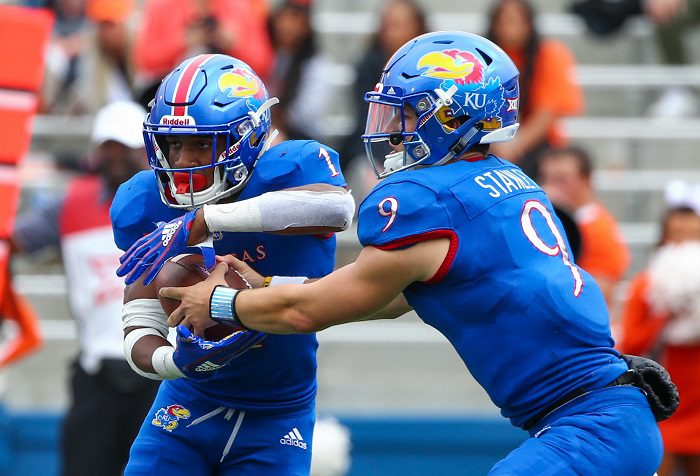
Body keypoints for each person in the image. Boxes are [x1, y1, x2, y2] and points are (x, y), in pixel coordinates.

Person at [159, 31, 676, 475]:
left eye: (405, 113)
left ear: (455, 116)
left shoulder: (427, 201)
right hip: (611, 414)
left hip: (591, 426)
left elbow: (307, 311)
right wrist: (266, 288)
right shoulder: (506, 182)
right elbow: (383, 295)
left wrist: (223, 304)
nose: (388, 127)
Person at [110, 53, 354, 475]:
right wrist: (176, 362)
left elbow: (337, 208)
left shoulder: (289, 170)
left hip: (278, 411)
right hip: (188, 402)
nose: (184, 160)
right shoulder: (144, 202)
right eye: (174, 143)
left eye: (202, 143)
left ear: (245, 137)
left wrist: (205, 219)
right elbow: (140, 316)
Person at [10, 101, 159, 476]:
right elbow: (17, 239)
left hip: (162, 371)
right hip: (96, 371)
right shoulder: (70, 205)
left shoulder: (171, 203)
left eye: (122, 147)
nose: (114, 156)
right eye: (107, 147)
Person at [619, 203, 700, 476]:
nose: (687, 241)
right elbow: (629, 345)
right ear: (664, 238)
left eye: (694, 234)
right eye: (678, 233)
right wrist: (664, 316)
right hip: (662, 404)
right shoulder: (647, 286)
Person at [486, 0, 584, 180]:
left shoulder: (551, 54)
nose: (510, 28)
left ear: (530, 23)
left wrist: (514, 146)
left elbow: (549, 110)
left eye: (516, 21)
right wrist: (496, 146)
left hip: (539, 148)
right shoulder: (480, 58)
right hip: (488, 143)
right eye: (504, 21)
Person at [337, 0, 428, 174]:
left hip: (424, 146)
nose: (390, 32)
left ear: (418, 27)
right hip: (387, 150)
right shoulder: (369, 66)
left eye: (398, 25)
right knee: (364, 170)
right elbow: (367, 123)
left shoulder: (431, 72)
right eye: (386, 25)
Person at [132, 0, 273, 110]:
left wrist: (235, 44)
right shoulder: (162, 5)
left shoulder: (239, 7)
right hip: (172, 97)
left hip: (230, 99)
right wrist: (182, 41)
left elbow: (264, 64)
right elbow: (145, 60)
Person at [539, 146, 630, 311]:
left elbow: (597, 295)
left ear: (587, 181)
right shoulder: (549, 219)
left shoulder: (599, 229)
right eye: (547, 179)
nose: (550, 188)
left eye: (561, 180)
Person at [265, 0, 335, 142]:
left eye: (295, 18)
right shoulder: (269, 56)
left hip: (301, 138)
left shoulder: (318, 66)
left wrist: (276, 117)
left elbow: (305, 116)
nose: (286, 26)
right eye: (283, 18)